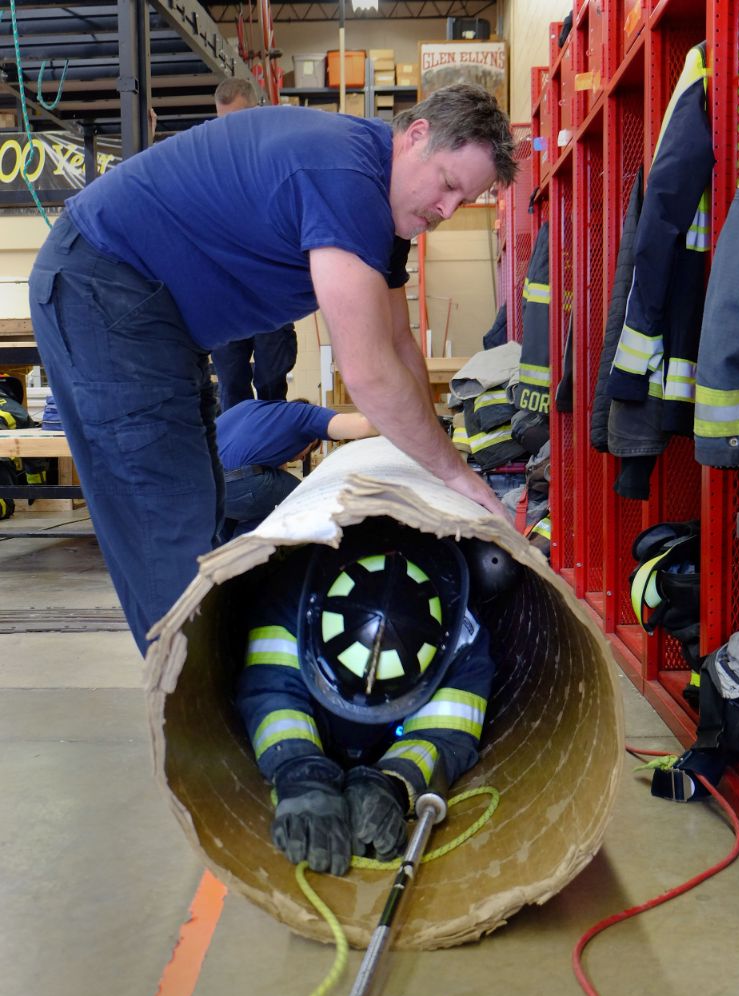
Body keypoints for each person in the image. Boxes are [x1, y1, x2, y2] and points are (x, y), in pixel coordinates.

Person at [29, 83, 517, 654]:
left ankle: (215, 685)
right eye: (449, 185)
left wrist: (437, 449)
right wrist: (455, 474)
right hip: (105, 289)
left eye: (465, 203)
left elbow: (397, 341)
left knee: (201, 501)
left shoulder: (380, 211)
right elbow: (368, 372)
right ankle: (197, 715)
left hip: (155, 315)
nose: (446, 211)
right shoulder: (346, 180)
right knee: (167, 516)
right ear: (416, 136)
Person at [235, 519, 495, 875]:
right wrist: (301, 773)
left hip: (390, 740)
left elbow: (446, 734)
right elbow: (272, 691)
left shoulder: (463, 641)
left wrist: (392, 783)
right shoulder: (289, 598)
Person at [212, 77, 298, 411]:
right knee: (231, 388)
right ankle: (237, 462)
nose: (231, 131)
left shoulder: (278, 153)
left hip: (271, 294)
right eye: (224, 123)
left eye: (238, 119)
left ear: (256, 110)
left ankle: (269, 456)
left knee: (270, 384)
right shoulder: (210, 159)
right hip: (226, 297)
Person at [216, 397, 377, 537]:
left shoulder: (253, 410)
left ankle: (225, 558)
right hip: (239, 481)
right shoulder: (306, 415)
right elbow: (364, 425)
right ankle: (244, 554)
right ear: (311, 437)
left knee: (230, 524)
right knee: (303, 495)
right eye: (309, 450)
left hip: (202, 486)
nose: (302, 458)